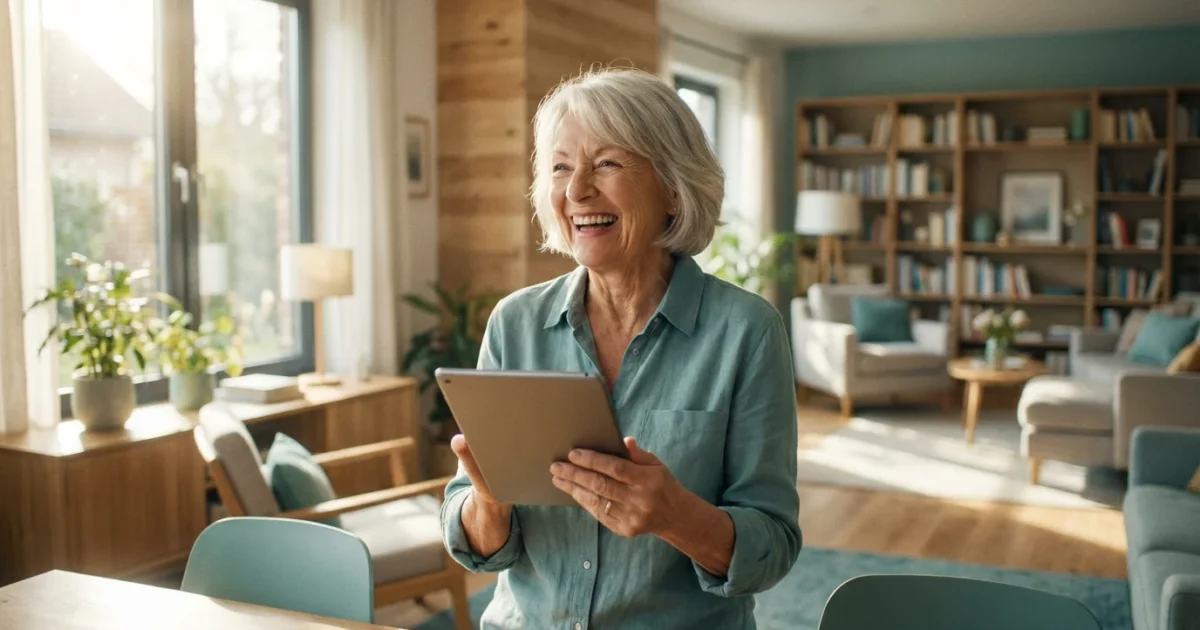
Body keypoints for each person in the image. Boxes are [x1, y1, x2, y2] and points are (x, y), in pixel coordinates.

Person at [439, 67, 801, 629]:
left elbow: (773, 545)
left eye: (607, 163)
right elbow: (477, 543)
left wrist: (677, 517)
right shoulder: (516, 323)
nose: (577, 190)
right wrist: (489, 502)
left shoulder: (747, 332)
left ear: (674, 189)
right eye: (561, 167)